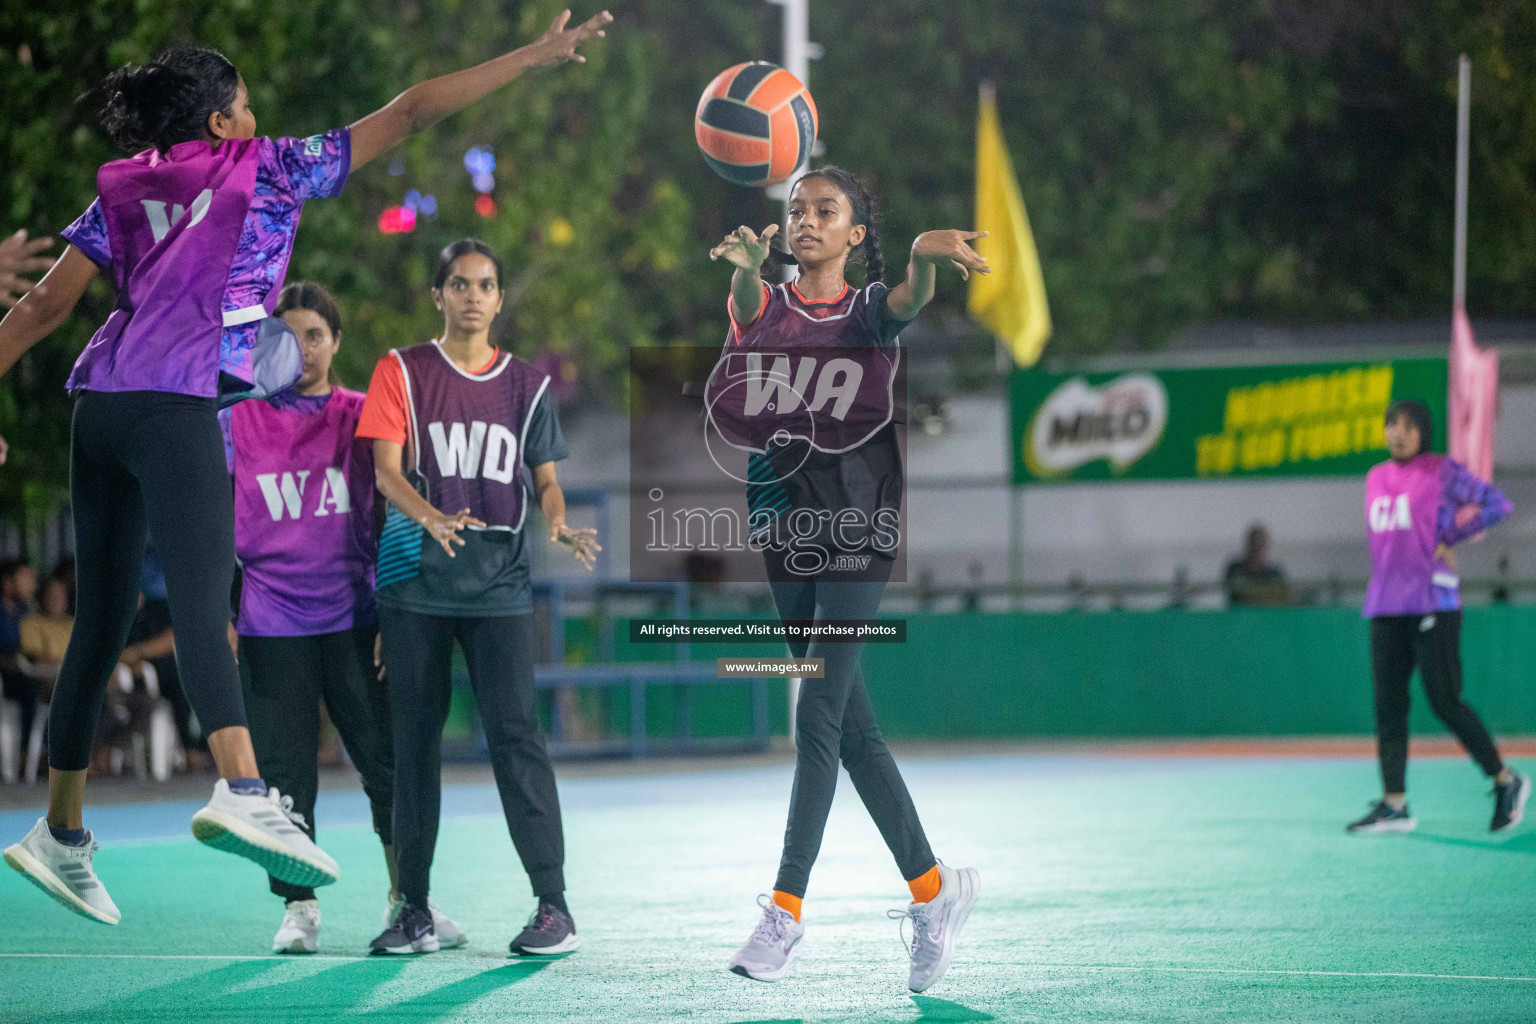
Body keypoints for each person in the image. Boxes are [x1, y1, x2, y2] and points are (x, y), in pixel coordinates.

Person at [0, 9, 613, 928]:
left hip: (101, 404)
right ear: (220, 123)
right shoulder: (273, 167)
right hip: (174, 403)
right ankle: (245, 790)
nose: (254, 115)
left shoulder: (125, 189)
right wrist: (531, 56)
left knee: (101, 619)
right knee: (206, 603)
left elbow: (48, 305)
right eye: (243, 104)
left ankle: (60, 830)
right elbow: (409, 113)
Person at [708, 168, 984, 992]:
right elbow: (748, 306)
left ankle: (784, 910)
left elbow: (907, 298)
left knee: (817, 708)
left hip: (858, 525)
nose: (806, 222)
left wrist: (925, 258)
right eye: (797, 211)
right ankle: (935, 892)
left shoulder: (866, 311)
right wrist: (744, 266)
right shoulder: (762, 303)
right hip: (781, 521)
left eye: (825, 212)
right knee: (852, 733)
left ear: (857, 234)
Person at [356, 239, 599, 957]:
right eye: (459, 283)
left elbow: (544, 477)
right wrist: (428, 516)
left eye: (485, 285)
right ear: (439, 295)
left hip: (498, 588)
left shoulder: (527, 386)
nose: (472, 295)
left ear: (498, 299)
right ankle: (415, 909)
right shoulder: (400, 370)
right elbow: (384, 471)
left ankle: (553, 906)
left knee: (517, 737)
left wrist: (555, 516)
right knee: (413, 746)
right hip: (415, 586)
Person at [224, 280, 464, 955]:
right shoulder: (234, 421)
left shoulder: (365, 417)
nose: (301, 349)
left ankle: (407, 902)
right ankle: (298, 908)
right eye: (288, 336)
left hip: (356, 617)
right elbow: (203, 522)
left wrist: (398, 611)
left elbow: (401, 512)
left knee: (387, 766)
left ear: (336, 342)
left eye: (315, 335)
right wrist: (219, 609)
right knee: (285, 777)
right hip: (271, 624)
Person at [1347, 399, 1528, 834]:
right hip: (1387, 605)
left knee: (1445, 702)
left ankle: (1505, 780)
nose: (1397, 433)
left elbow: (1497, 504)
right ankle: (1395, 804)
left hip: (1433, 603)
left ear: (1423, 432)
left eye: (1408, 426)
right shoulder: (1375, 476)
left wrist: (1451, 534)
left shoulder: (1441, 471)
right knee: (1389, 707)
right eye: (1391, 424)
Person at [0, 560, 39, 767]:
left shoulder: (28, 611)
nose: (31, 584)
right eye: (25, 578)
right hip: (7, 676)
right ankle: (25, 753)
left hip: (28, 671)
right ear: (8, 583)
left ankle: (41, 753)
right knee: (29, 690)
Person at [1223, 523, 1289, 606]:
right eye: (1254, 543)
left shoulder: (1274, 573)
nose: (1256, 548)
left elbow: (1282, 596)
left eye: (1260, 544)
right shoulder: (1235, 569)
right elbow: (1236, 593)